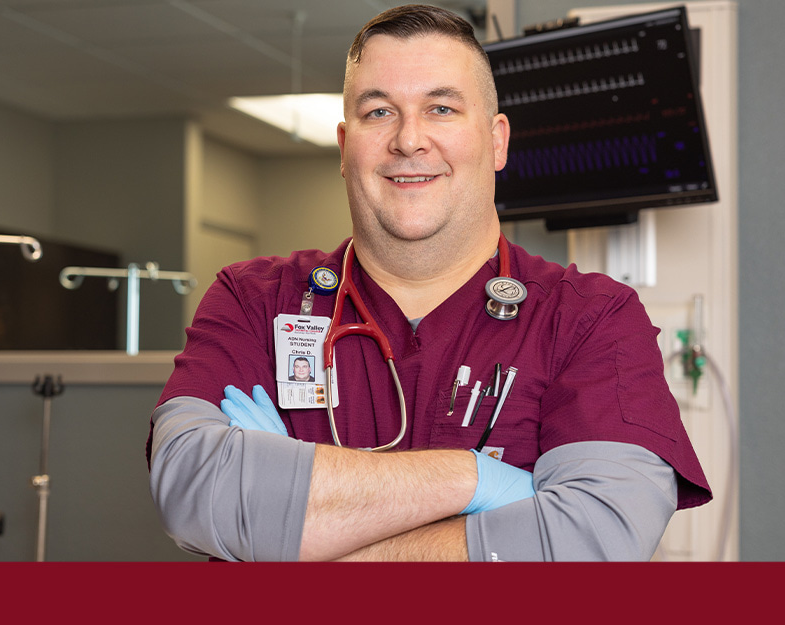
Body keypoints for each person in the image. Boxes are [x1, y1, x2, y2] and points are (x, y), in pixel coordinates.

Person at [147, 4, 710, 562]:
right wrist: (475, 479)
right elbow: (193, 492)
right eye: (378, 113)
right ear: (345, 148)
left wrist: (294, 531)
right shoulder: (256, 299)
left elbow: (595, 540)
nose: (409, 140)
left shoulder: (591, 318)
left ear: (496, 141)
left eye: (440, 108)